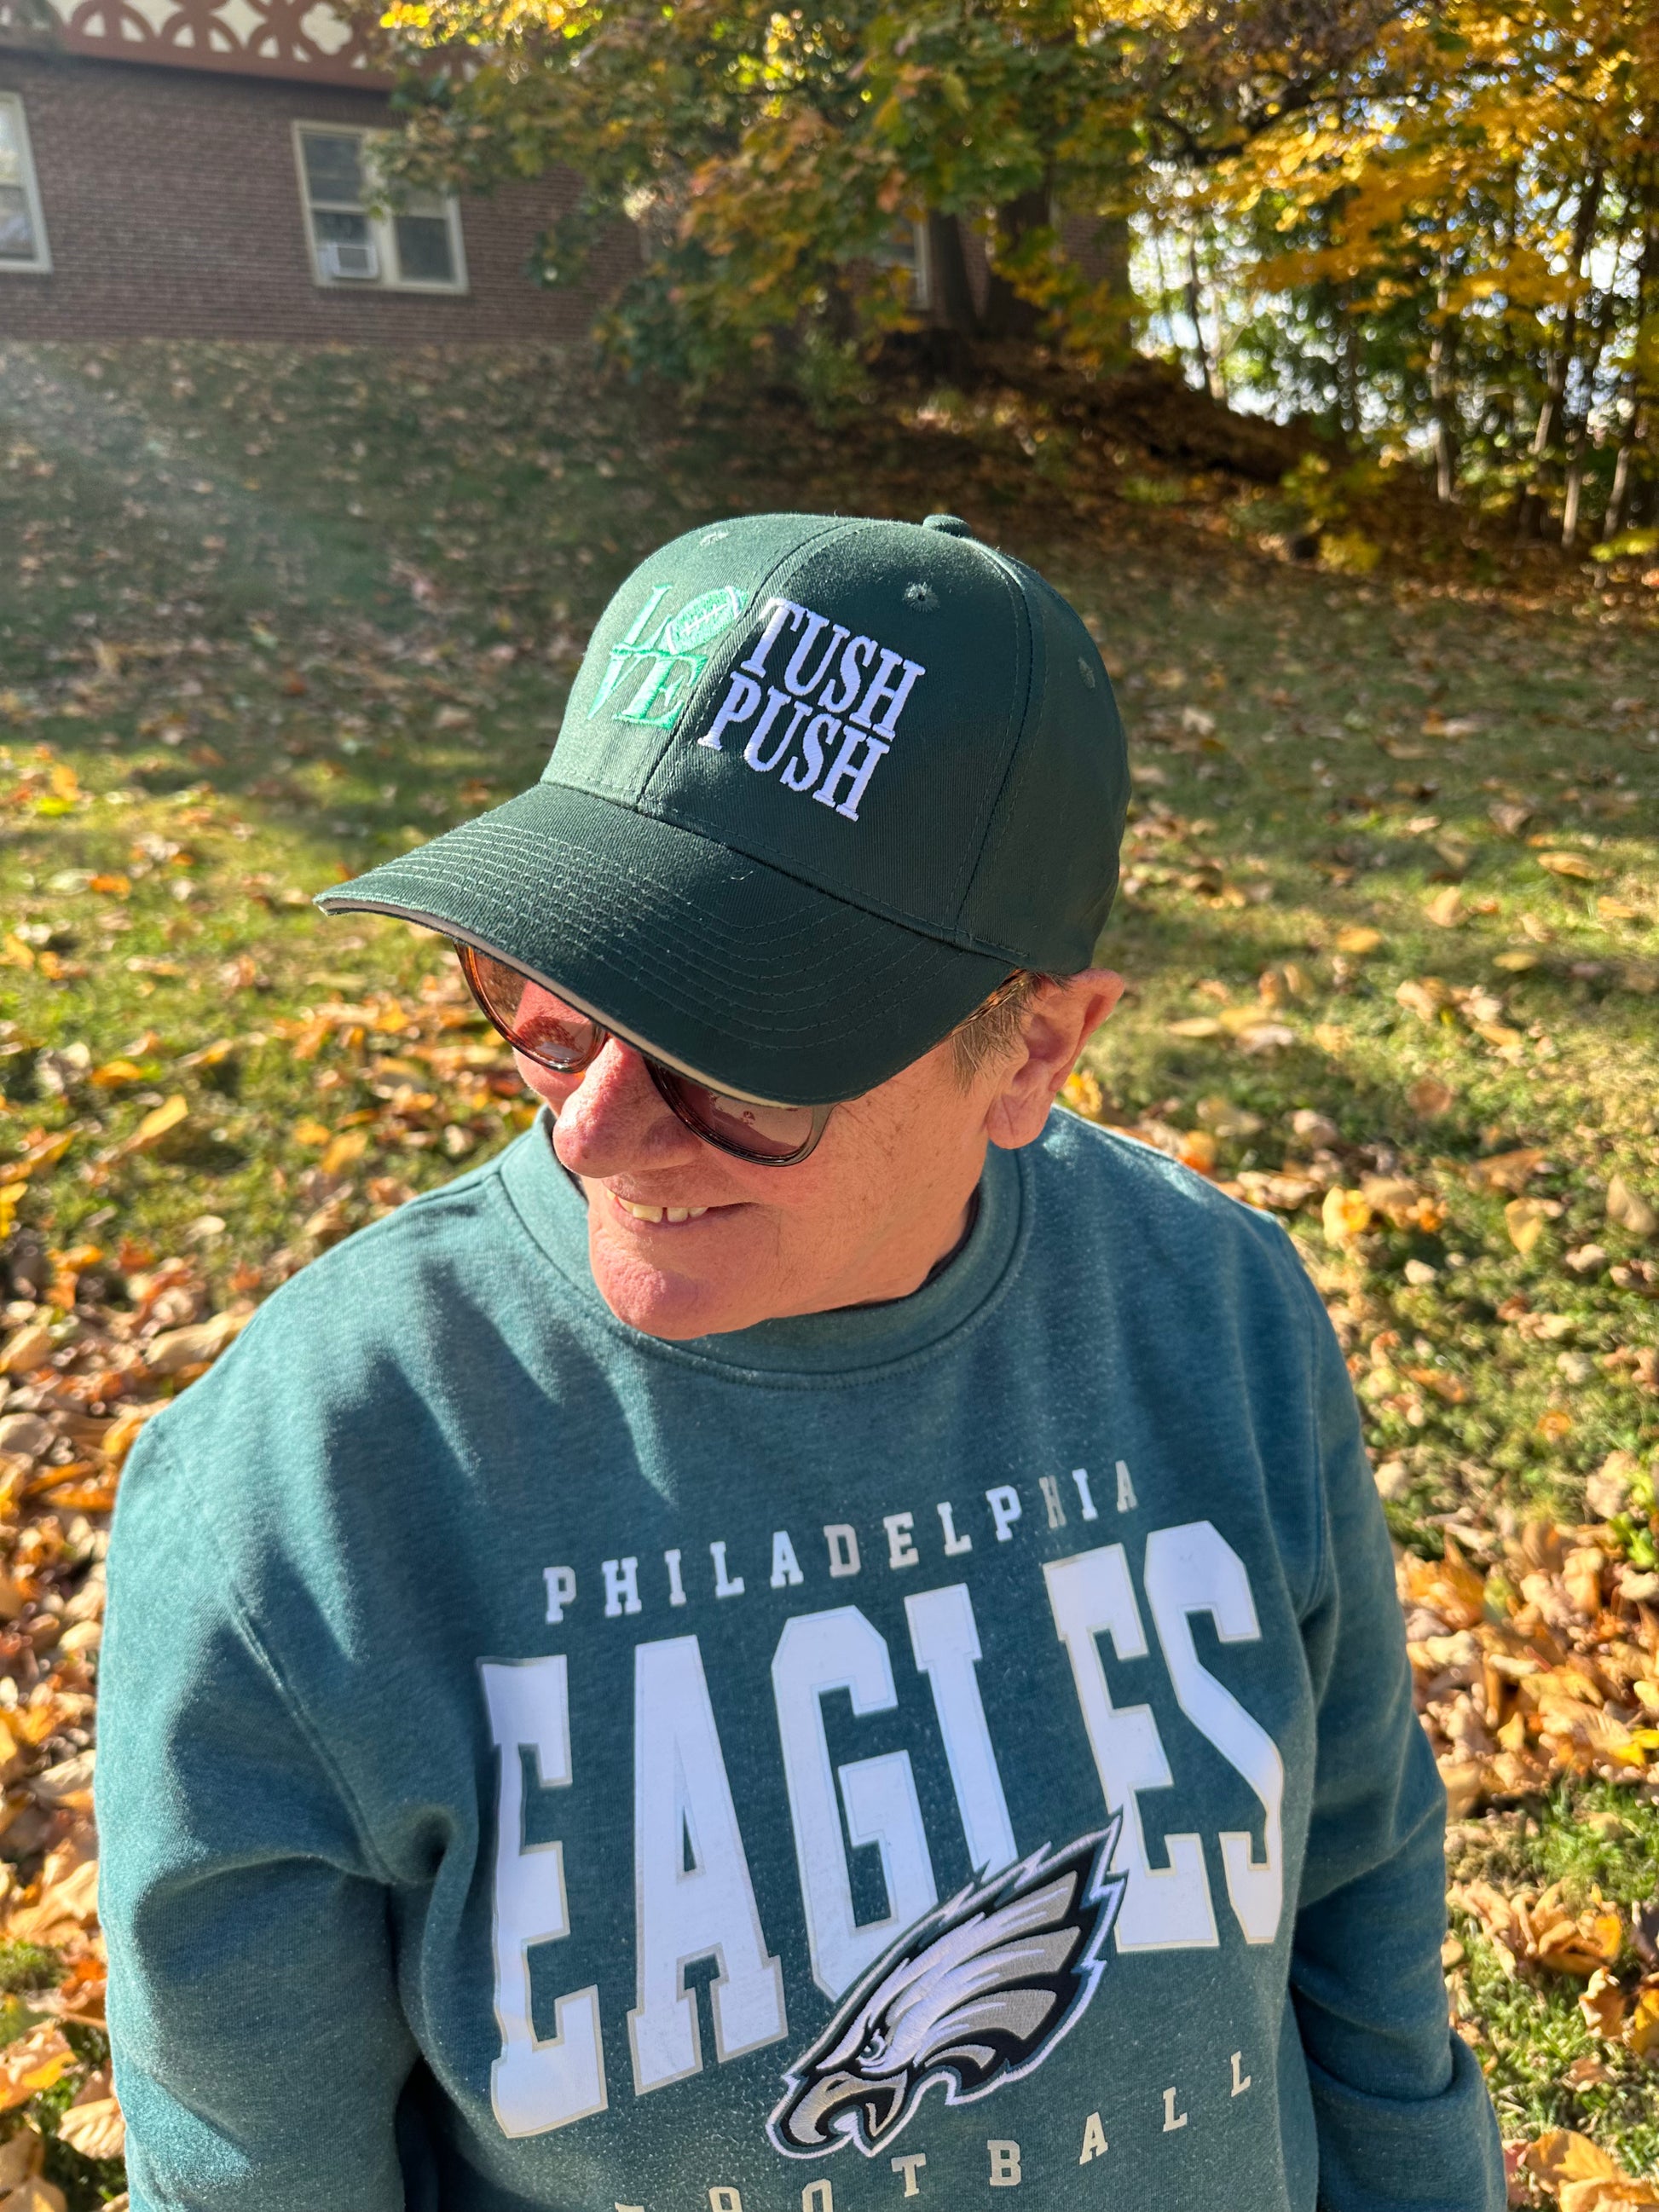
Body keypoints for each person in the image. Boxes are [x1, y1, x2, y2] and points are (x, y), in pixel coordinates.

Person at [98, 511, 1503, 2212]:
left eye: (732, 1053)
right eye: (549, 998)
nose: (593, 1130)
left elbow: (1357, 1894)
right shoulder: (310, 1480)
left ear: (1034, 1045)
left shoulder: (1215, 1312)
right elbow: (252, 2162)